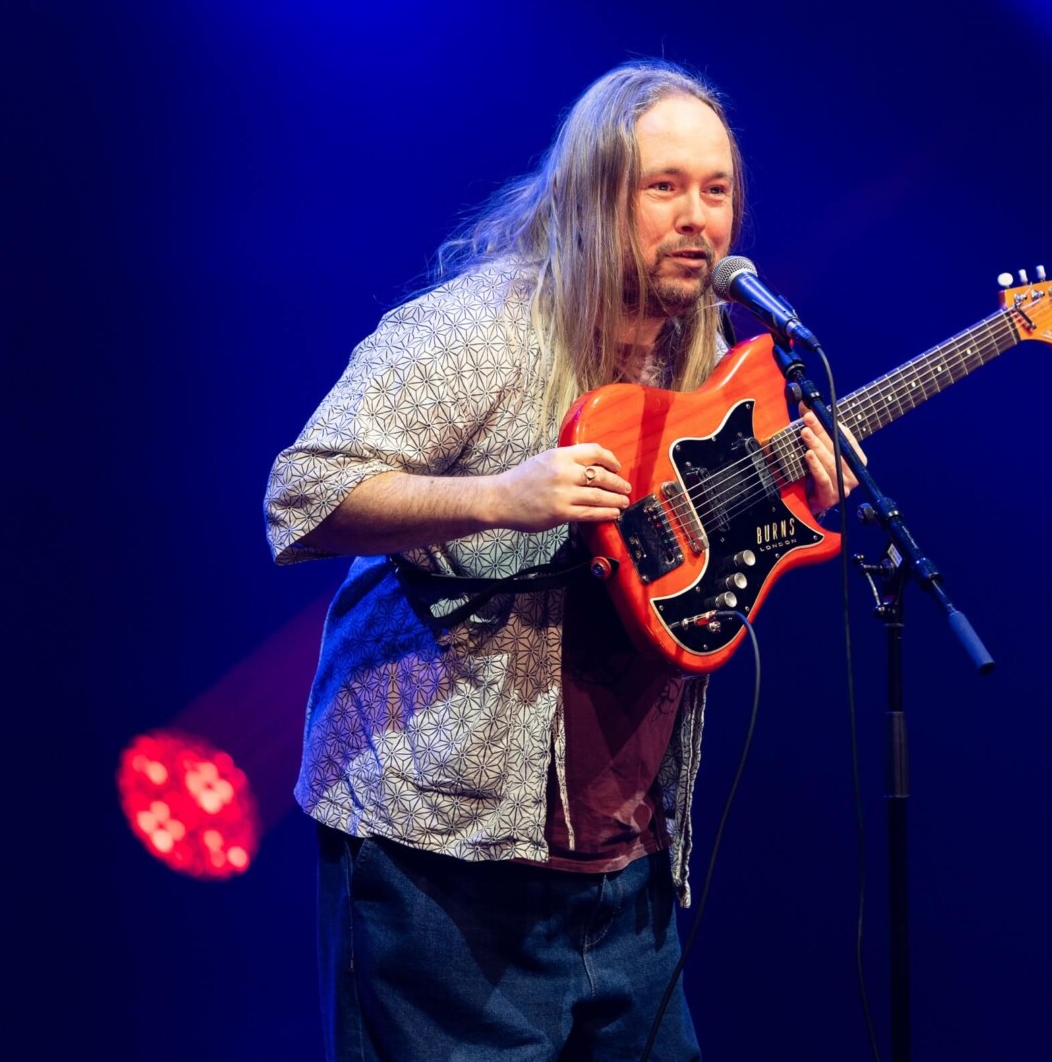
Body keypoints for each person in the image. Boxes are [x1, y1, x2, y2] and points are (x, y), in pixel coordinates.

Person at [265, 60, 857, 1061]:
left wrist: (800, 483)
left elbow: (682, 547)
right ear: (593, 194)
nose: (698, 220)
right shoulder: (476, 330)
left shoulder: (706, 349)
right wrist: (501, 494)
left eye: (716, 192)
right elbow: (301, 495)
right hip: (446, 871)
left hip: (628, 870)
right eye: (663, 186)